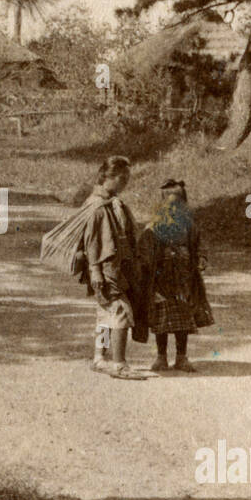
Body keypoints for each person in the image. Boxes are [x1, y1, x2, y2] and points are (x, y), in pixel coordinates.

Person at [80, 155, 146, 380]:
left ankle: (99, 358)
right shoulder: (97, 206)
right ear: (109, 177)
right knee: (121, 312)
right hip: (106, 269)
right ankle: (119, 364)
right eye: (123, 177)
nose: (126, 181)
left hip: (117, 267)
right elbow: (91, 241)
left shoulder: (112, 202)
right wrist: (95, 270)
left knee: (105, 313)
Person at [148, 179, 214, 372]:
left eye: (178, 204)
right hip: (162, 280)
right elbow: (146, 250)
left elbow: (198, 245)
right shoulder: (155, 226)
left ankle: (181, 357)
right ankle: (161, 357)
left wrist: (201, 258)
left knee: (182, 319)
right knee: (162, 319)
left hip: (184, 280)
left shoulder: (189, 226)